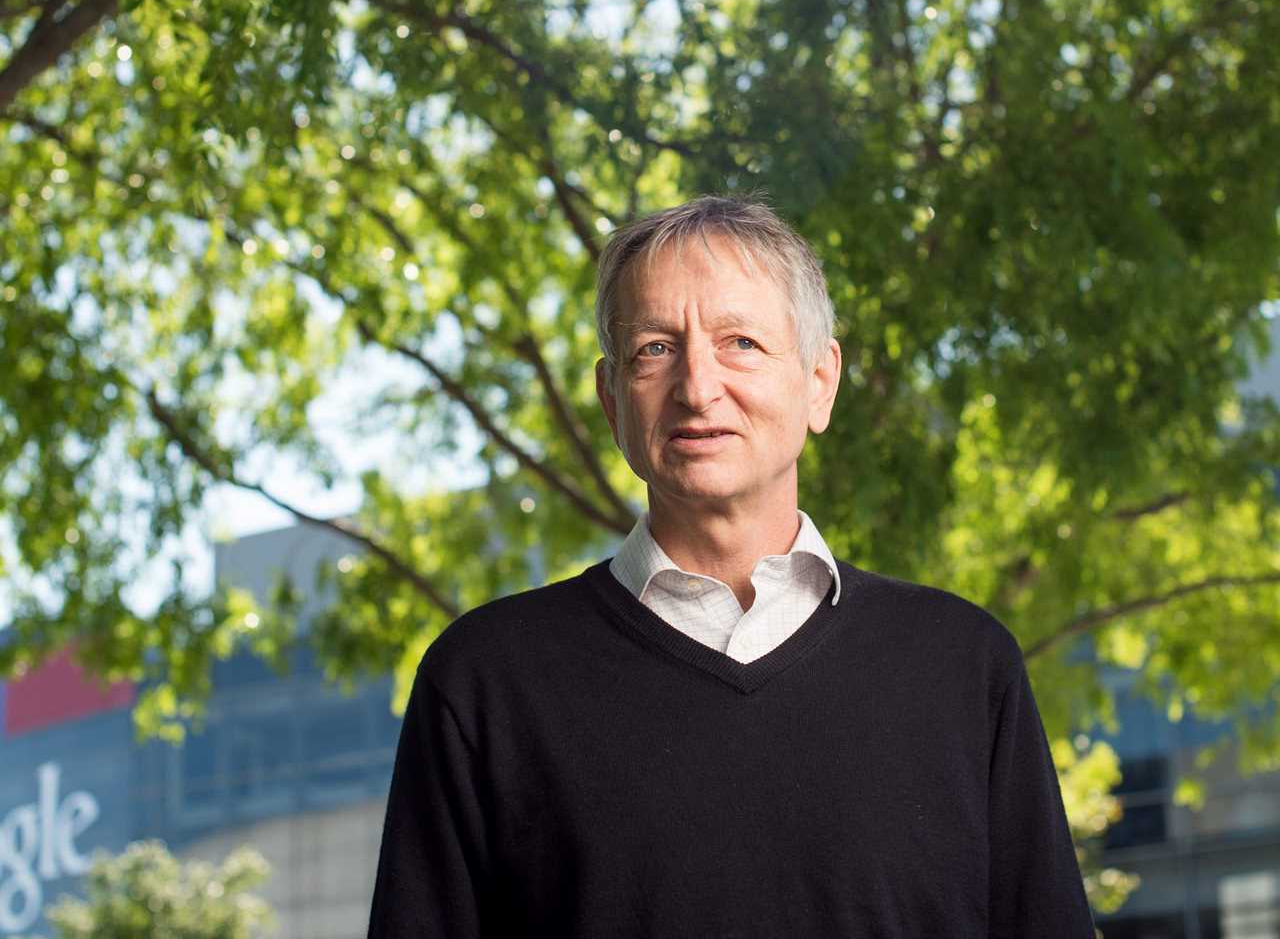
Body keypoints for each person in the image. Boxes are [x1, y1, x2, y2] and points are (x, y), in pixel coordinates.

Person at [366, 196, 1096, 938]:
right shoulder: (486, 683)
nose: (697, 387)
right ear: (611, 397)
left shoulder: (963, 667)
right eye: (654, 347)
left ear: (820, 381)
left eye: (740, 342)